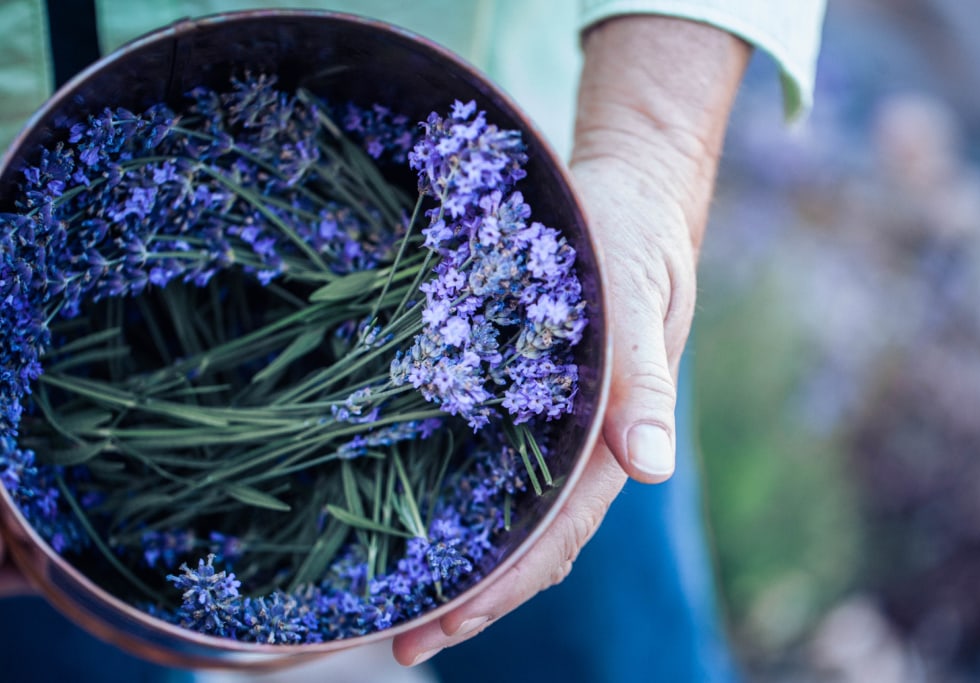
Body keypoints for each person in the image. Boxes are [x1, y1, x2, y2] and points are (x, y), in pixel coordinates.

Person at [0, 1, 825, 680]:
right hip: (56, 255)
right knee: (80, 601)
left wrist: (649, 144)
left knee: (610, 644)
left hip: (526, 232)